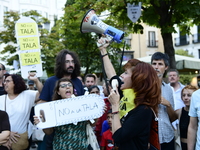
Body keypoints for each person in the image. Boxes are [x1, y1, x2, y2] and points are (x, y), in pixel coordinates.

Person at [39, 49, 84, 150]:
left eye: (72, 61)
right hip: (55, 133)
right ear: (61, 64)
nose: (71, 64)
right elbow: (43, 104)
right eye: (67, 62)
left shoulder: (78, 81)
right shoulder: (51, 81)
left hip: (76, 134)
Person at [34, 78, 88, 149]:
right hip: (61, 146)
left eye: (70, 85)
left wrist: (97, 113)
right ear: (58, 92)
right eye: (63, 86)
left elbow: (92, 123)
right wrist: (42, 122)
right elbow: (49, 132)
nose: (67, 87)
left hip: (81, 146)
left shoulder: (82, 104)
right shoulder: (53, 108)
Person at [0, 73, 43, 150]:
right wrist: (7, 133)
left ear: (16, 83)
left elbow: (43, 93)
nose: (4, 83)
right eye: (4, 81)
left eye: (8, 81)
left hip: (21, 140)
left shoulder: (27, 95)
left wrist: (36, 80)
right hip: (4, 141)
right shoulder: (1, 99)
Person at [151, 52, 177, 150]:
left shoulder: (168, 89)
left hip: (168, 136)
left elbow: (173, 118)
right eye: (154, 63)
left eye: (160, 64)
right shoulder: (144, 87)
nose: (156, 67)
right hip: (150, 139)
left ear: (166, 67)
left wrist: (168, 105)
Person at [175, 85, 197, 150]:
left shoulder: (198, 112)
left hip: (196, 146)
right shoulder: (179, 112)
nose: (185, 98)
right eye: (184, 95)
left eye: (189, 95)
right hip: (181, 146)